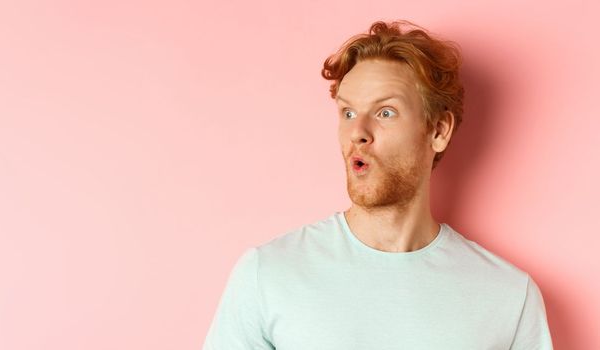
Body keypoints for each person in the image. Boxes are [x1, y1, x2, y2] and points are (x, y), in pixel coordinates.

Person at [202, 20, 553, 349]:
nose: (358, 133)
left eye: (385, 112)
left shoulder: (507, 296)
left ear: (438, 131)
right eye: (348, 113)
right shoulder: (268, 274)